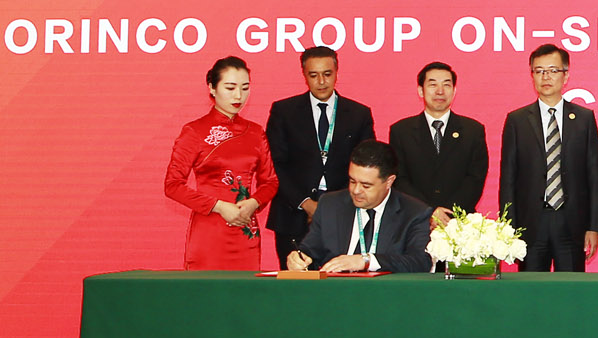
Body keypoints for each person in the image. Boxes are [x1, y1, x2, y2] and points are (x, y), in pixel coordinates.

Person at [264, 46, 376, 269]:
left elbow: (367, 166)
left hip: (344, 214)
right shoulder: (284, 111)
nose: (322, 82)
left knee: (340, 282)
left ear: (337, 72)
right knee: (295, 283)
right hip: (293, 216)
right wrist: (306, 204)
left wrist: (332, 206)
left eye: (327, 74)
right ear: (304, 75)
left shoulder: (358, 114)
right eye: (313, 75)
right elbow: (275, 165)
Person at [163, 56, 279, 270]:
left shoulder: (255, 132)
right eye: (230, 88)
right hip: (210, 230)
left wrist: (254, 203)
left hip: (245, 230)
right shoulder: (194, 131)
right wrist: (219, 207)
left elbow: (270, 182)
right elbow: (172, 185)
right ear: (212, 87)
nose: (239, 96)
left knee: (245, 290)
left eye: (245, 88)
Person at [498, 44, 598, 271]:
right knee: (530, 289)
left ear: (565, 76)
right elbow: (508, 178)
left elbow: (595, 176)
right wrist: (508, 227)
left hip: (572, 224)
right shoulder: (517, 120)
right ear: (532, 76)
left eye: (553, 70)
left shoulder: (584, 119)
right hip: (530, 224)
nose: (546, 77)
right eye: (539, 71)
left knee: (571, 288)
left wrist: (594, 226)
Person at [288, 140, 433, 273]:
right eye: (352, 181)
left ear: (389, 181)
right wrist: (299, 258)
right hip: (336, 290)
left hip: (384, 291)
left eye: (366, 185)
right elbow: (310, 250)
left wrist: (366, 261)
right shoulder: (330, 204)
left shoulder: (414, 212)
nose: (356, 190)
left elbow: (420, 262)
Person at [387, 61, 489, 226]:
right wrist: (429, 211)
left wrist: (447, 213)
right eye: (433, 84)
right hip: (414, 221)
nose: (440, 91)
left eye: (446, 85)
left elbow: (475, 179)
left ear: (454, 91)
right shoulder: (401, 131)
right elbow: (400, 179)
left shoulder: (473, 130)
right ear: (421, 90)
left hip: (459, 222)